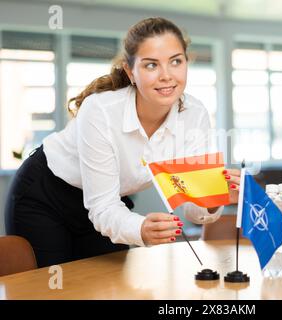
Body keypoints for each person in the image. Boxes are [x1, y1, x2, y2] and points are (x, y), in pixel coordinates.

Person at [4, 17, 241, 268]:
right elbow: (101, 206)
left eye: (176, 61)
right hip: (46, 196)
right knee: (50, 289)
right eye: (151, 65)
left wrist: (215, 197)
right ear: (131, 72)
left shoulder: (195, 114)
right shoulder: (102, 110)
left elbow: (195, 208)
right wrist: (140, 228)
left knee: (105, 288)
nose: (166, 76)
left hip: (110, 204)